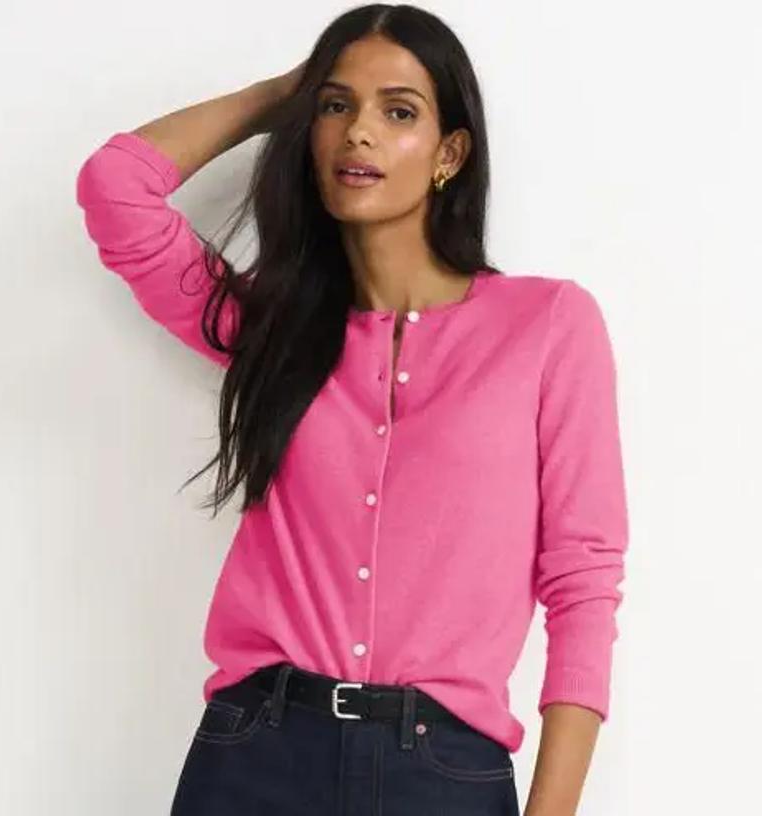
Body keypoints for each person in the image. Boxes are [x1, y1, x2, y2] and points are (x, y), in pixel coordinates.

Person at [75, 4, 629, 815]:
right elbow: (115, 188)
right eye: (338, 106)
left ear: (449, 154)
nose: (359, 132)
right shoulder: (269, 328)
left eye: (398, 112)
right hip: (255, 756)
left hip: (443, 771)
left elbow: (582, 579)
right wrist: (282, 96)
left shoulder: (547, 325)